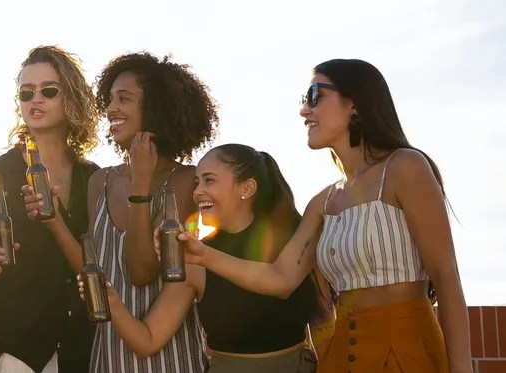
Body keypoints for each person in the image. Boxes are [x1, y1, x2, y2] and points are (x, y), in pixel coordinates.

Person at [181, 59, 472, 372]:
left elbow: (446, 275)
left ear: (355, 104)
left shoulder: (405, 168)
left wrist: (462, 368)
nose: (305, 110)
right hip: (340, 360)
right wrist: (203, 256)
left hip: (407, 355)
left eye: (315, 96)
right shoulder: (322, 202)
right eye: (304, 100)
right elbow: (281, 279)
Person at [25, 52, 216, 372]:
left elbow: (140, 271)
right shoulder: (100, 181)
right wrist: (53, 222)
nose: (111, 108)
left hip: (171, 361)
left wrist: (141, 181)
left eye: (124, 99)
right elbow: (94, 270)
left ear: (156, 106)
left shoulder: (188, 182)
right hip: (109, 358)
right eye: (110, 99)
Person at [83, 144, 330, 372]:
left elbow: (321, 319)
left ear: (247, 188)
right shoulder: (195, 260)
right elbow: (147, 340)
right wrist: (112, 302)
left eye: (209, 181)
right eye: (197, 183)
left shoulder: (295, 240)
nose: (198, 192)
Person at [0, 45, 101, 373]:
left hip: (80, 348)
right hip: (15, 349)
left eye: (48, 90)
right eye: (26, 93)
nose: (35, 100)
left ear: (70, 98)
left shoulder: (94, 177)